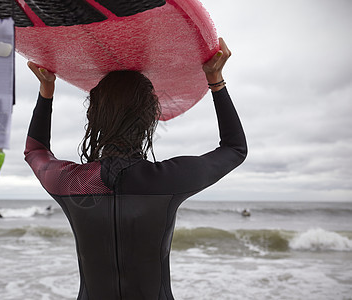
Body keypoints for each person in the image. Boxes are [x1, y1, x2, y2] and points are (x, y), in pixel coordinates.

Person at [24, 38, 247, 300]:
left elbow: (35, 151)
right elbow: (235, 149)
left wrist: (46, 90)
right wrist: (215, 80)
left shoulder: (71, 182)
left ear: (93, 117)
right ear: (149, 117)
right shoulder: (168, 180)